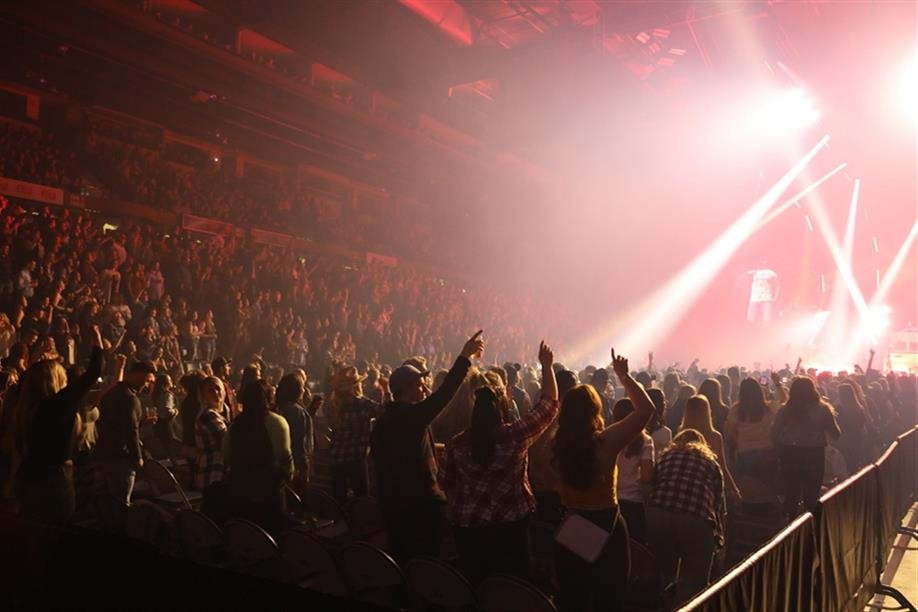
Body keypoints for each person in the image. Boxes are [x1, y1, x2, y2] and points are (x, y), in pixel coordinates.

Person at [438, 341, 558, 585]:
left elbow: (445, 483)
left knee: (476, 583)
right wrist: (546, 366)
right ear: (502, 407)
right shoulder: (515, 436)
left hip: (469, 528)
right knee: (511, 584)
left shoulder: (456, 444)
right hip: (511, 526)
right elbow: (549, 405)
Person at [551, 348, 655, 612]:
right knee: (609, 598)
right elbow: (646, 409)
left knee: (574, 598)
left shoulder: (557, 444)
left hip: (572, 524)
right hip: (606, 525)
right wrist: (624, 376)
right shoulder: (605, 443)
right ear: (594, 410)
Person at [370, 330, 485, 563]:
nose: (425, 390)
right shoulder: (411, 417)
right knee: (425, 559)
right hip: (419, 505)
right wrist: (464, 357)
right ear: (405, 389)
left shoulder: (383, 421)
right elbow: (445, 393)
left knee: (401, 558)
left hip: (391, 503)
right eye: (420, 385)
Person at [14, 326, 103, 523]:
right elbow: (94, 372)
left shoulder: (25, 405)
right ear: (55, 380)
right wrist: (96, 338)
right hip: (53, 481)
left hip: (28, 475)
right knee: (55, 533)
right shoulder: (54, 406)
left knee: (32, 532)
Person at [646, 429, 726, 607]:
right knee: (696, 579)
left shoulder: (665, 457)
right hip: (696, 517)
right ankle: (691, 605)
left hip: (659, 513)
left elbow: (652, 484)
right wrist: (719, 536)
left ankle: (663, 602)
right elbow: (718, 501)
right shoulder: (710, 462)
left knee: (664, 571)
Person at [222, 379, 293, 535]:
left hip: (240, 487)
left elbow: (225, 453)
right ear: (268, 397)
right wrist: (289, 475)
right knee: (271, 534)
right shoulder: (277, 422)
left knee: (247, 533)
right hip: (268, 488)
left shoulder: (236, 424)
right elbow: (283, 454)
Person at [771, 376, 840, 518]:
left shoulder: (785, 410)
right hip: (814, 454)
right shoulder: (823, 409)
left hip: (790, 453)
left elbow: (774, 434)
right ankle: (811, 528)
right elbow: (836, 434)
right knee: (812, 494)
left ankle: (790, 528)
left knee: (791, 493)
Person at [94, 359, 157, 504]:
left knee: (105, 500)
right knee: (122, 501)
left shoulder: (112, 393)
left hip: (103, 452)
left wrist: (141, 422)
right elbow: (130, 430)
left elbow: (117, 423)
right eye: (147, 380)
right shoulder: (130, 398)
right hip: (120, 456)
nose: (148, 386)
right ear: (138, 375)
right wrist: (137, 456)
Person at [325, 365, 382, 503]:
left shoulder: (332, 405)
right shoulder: (362, 403)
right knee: (361, 498)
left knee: (340, 500)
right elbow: (386, 412)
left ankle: (342, 522)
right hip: (356, 456)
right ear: (356, 386)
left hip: (336, 456)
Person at [679, 395, 741, 503]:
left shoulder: (682, 434)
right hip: (706, 486)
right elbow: (722, 466)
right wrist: (734, 489)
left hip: (684, 484)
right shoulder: (714, 436)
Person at [611, 398, 654, 543]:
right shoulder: (645, 441)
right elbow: (647, 476)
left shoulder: (607, 435)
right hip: (633, 502)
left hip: (610, 500)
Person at [194, 376, 228, 490]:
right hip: (213, 473)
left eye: (218, 389)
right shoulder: (208, 415)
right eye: (210, 390)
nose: (216, 393)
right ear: (203, 396)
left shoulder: (217, 413)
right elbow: (226, 439)